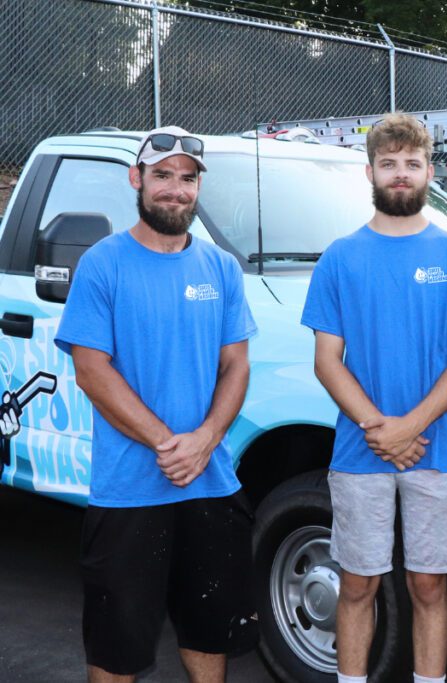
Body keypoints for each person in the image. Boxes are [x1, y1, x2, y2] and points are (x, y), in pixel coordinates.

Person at [301, 113, 447, 683]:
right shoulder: (340, 257)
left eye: (412, 164)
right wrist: (380, 429)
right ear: (370, 172)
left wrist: (410, 427)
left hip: (434, 452)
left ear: (429, 172)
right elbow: (327, 361)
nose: (400, 174)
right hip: (361, 451)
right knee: (358, 583)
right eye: (389, 164)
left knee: (429, 585)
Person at [54, 125, 259, 683]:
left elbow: (236, 366)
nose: (175, 189)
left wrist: (205, 441)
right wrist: (171, 445)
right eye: (162, 175)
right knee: (116, 651)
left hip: (211, 485)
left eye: (187, 179)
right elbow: (92, 371)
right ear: (136, 179)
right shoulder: (103, 263)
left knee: (208, 634)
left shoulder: (220, 268)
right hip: (128, 492)